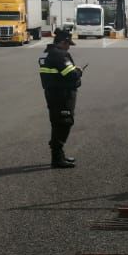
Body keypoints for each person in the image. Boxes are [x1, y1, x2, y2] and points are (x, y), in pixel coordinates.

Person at [38, 28, 83, 168]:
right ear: (63, 42)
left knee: (58, 123)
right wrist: (78, 71)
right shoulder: (59, 55)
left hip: (55, 94)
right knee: (64, 122)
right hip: (61, 95)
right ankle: (57, 158)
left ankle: (58, 155)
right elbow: (71, 75)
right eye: (68, 43)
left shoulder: (50, 53)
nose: (69, 46)